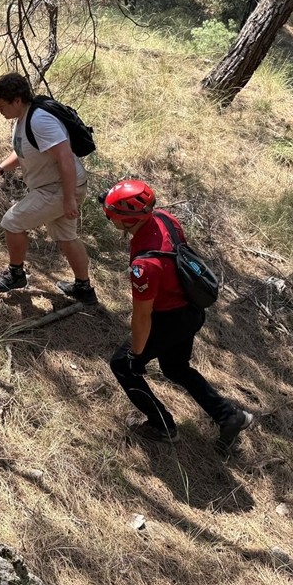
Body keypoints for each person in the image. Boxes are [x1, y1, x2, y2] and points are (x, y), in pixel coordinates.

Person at [101, 178, 253, 452]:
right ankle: (229, 415)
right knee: (175, 367)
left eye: (111, 216)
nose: (109, 221)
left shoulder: (144, 266)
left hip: (167, 319)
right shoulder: (163, 218)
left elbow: (143, 317)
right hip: (191, 312)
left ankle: (162, 426)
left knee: (123, 366)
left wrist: (136, 355)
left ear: (127, 220)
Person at [0, 73, 95, 303]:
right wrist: (0, 169)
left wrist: (69, 198)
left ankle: (16, 274)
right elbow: (24, 149)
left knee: (12, 223)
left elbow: (65, 158)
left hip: (59, 187)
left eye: (0, 105)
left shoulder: (40, 120)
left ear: (17, 100)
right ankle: (84, 289)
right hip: (61, 186)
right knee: (66, 235)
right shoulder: (25, 117)